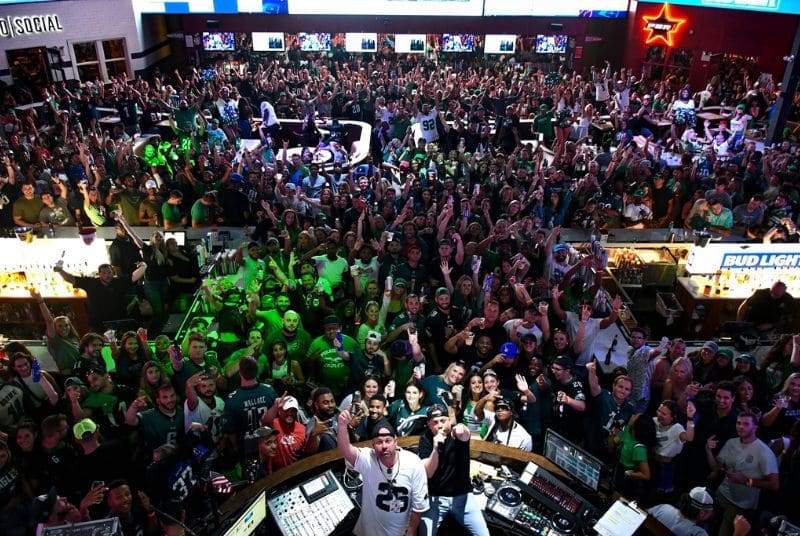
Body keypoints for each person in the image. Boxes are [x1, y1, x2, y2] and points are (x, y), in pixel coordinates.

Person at [337, 411, 429, 536]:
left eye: (388, 441)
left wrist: (412, 530)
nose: (384, 446)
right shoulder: (368, 459)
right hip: (368, 531)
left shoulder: (413, 463)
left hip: (399, 532)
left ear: (395, 442)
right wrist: (342, 426)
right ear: (373, 445)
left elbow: (419, 506)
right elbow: (345, 449)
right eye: (379, 442)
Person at [418, 404, 489, 536]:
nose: (440, 425)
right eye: (435, 422)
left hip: (463, 497)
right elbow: (428, 472)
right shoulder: (426, 438)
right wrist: (435, 449)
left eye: (443, 421)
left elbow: (464, 434)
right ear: (429, 424)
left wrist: (462, 430)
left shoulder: (456, 434)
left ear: (449, 420)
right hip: (435, 498)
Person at [706, 412, 778, 536]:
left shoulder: (764, 452)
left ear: (755, 428)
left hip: (740, 505)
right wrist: (708, 450)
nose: (740, 427)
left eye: (745, 424)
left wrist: (746, 480)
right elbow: (717, 469)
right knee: (706, 529)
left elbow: (774, 484)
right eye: (738, 423)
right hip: (721, 495)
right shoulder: (731, 443)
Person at [647, 486, 716, 536]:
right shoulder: (699, 533)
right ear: (702, 513)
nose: (712, 513)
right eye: (711, 511)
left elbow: (642, 515)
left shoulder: (663, 508)